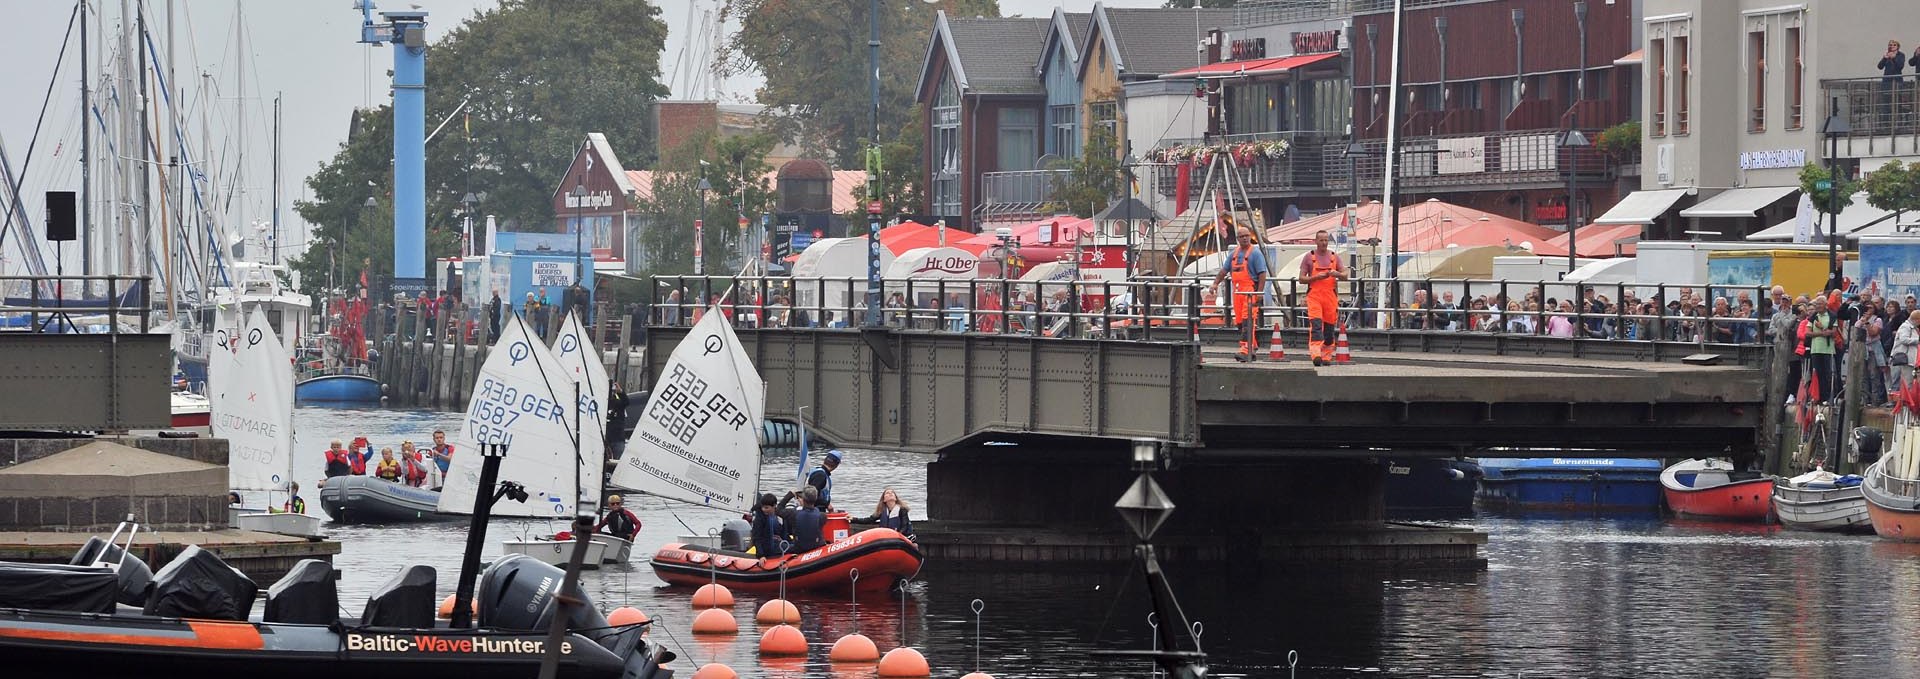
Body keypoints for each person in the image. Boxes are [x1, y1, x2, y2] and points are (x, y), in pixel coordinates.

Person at [1209, 227, 1269, 362]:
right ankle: (1252, 346)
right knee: (1241, 323)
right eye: (1242, 236)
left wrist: (1259, 292)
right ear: (1238, 239)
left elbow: (1262, 274)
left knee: (1248, 321)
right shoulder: (1234, 254)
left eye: (1247, 235)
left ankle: (1245, 349)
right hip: (1237, 292)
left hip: (1250, 291)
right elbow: (1224, 271)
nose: (1245, 238)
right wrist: (1215, 283)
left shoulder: (1255, 253)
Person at [1300, 229, 1347, 366]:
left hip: (1330, 297)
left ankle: (1326, 356)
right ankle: (1315, 354)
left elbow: (1345, 275)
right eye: (1321, 240)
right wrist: (1315, 277)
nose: (1324, 243)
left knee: (1329, 329)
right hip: (1314, 296)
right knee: (1315, 326)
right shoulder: (1309, 257)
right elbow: (1301, 278)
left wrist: (1336, 273)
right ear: (1316, 241)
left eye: (1326, 240)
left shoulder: (1334, 257)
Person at [788, 487, 826, 554]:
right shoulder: (822, 515)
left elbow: (779, 509)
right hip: (816, 547)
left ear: (803, 499)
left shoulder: (794, 513)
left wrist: (790, 495)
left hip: (799, 548)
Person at [749, 493, 788, 557]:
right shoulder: (760, 519)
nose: (763, 509)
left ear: (774, 506)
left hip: (778, 545)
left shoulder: (780, 516)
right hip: (766, 549)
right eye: (762, 507)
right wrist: (761, 555)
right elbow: (757, 537)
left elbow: (784, 533)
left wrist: (782, 539)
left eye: (766, 508)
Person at [1895, 310, 1920, 395]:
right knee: (1908, 382)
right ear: (1916, 319)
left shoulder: (1914, 327)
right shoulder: (1905, 327)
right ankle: (1906, 405)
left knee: (1914, 382)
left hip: (1914, 360)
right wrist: (1918, 340)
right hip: (1907, 359)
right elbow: (1904, 339)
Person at [606, 383, 630, 460]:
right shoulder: (603, 402)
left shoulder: (619, 402)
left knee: (618, 462)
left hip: (618, 438)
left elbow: (626, 402)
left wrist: (620, 391)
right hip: (605, 439)